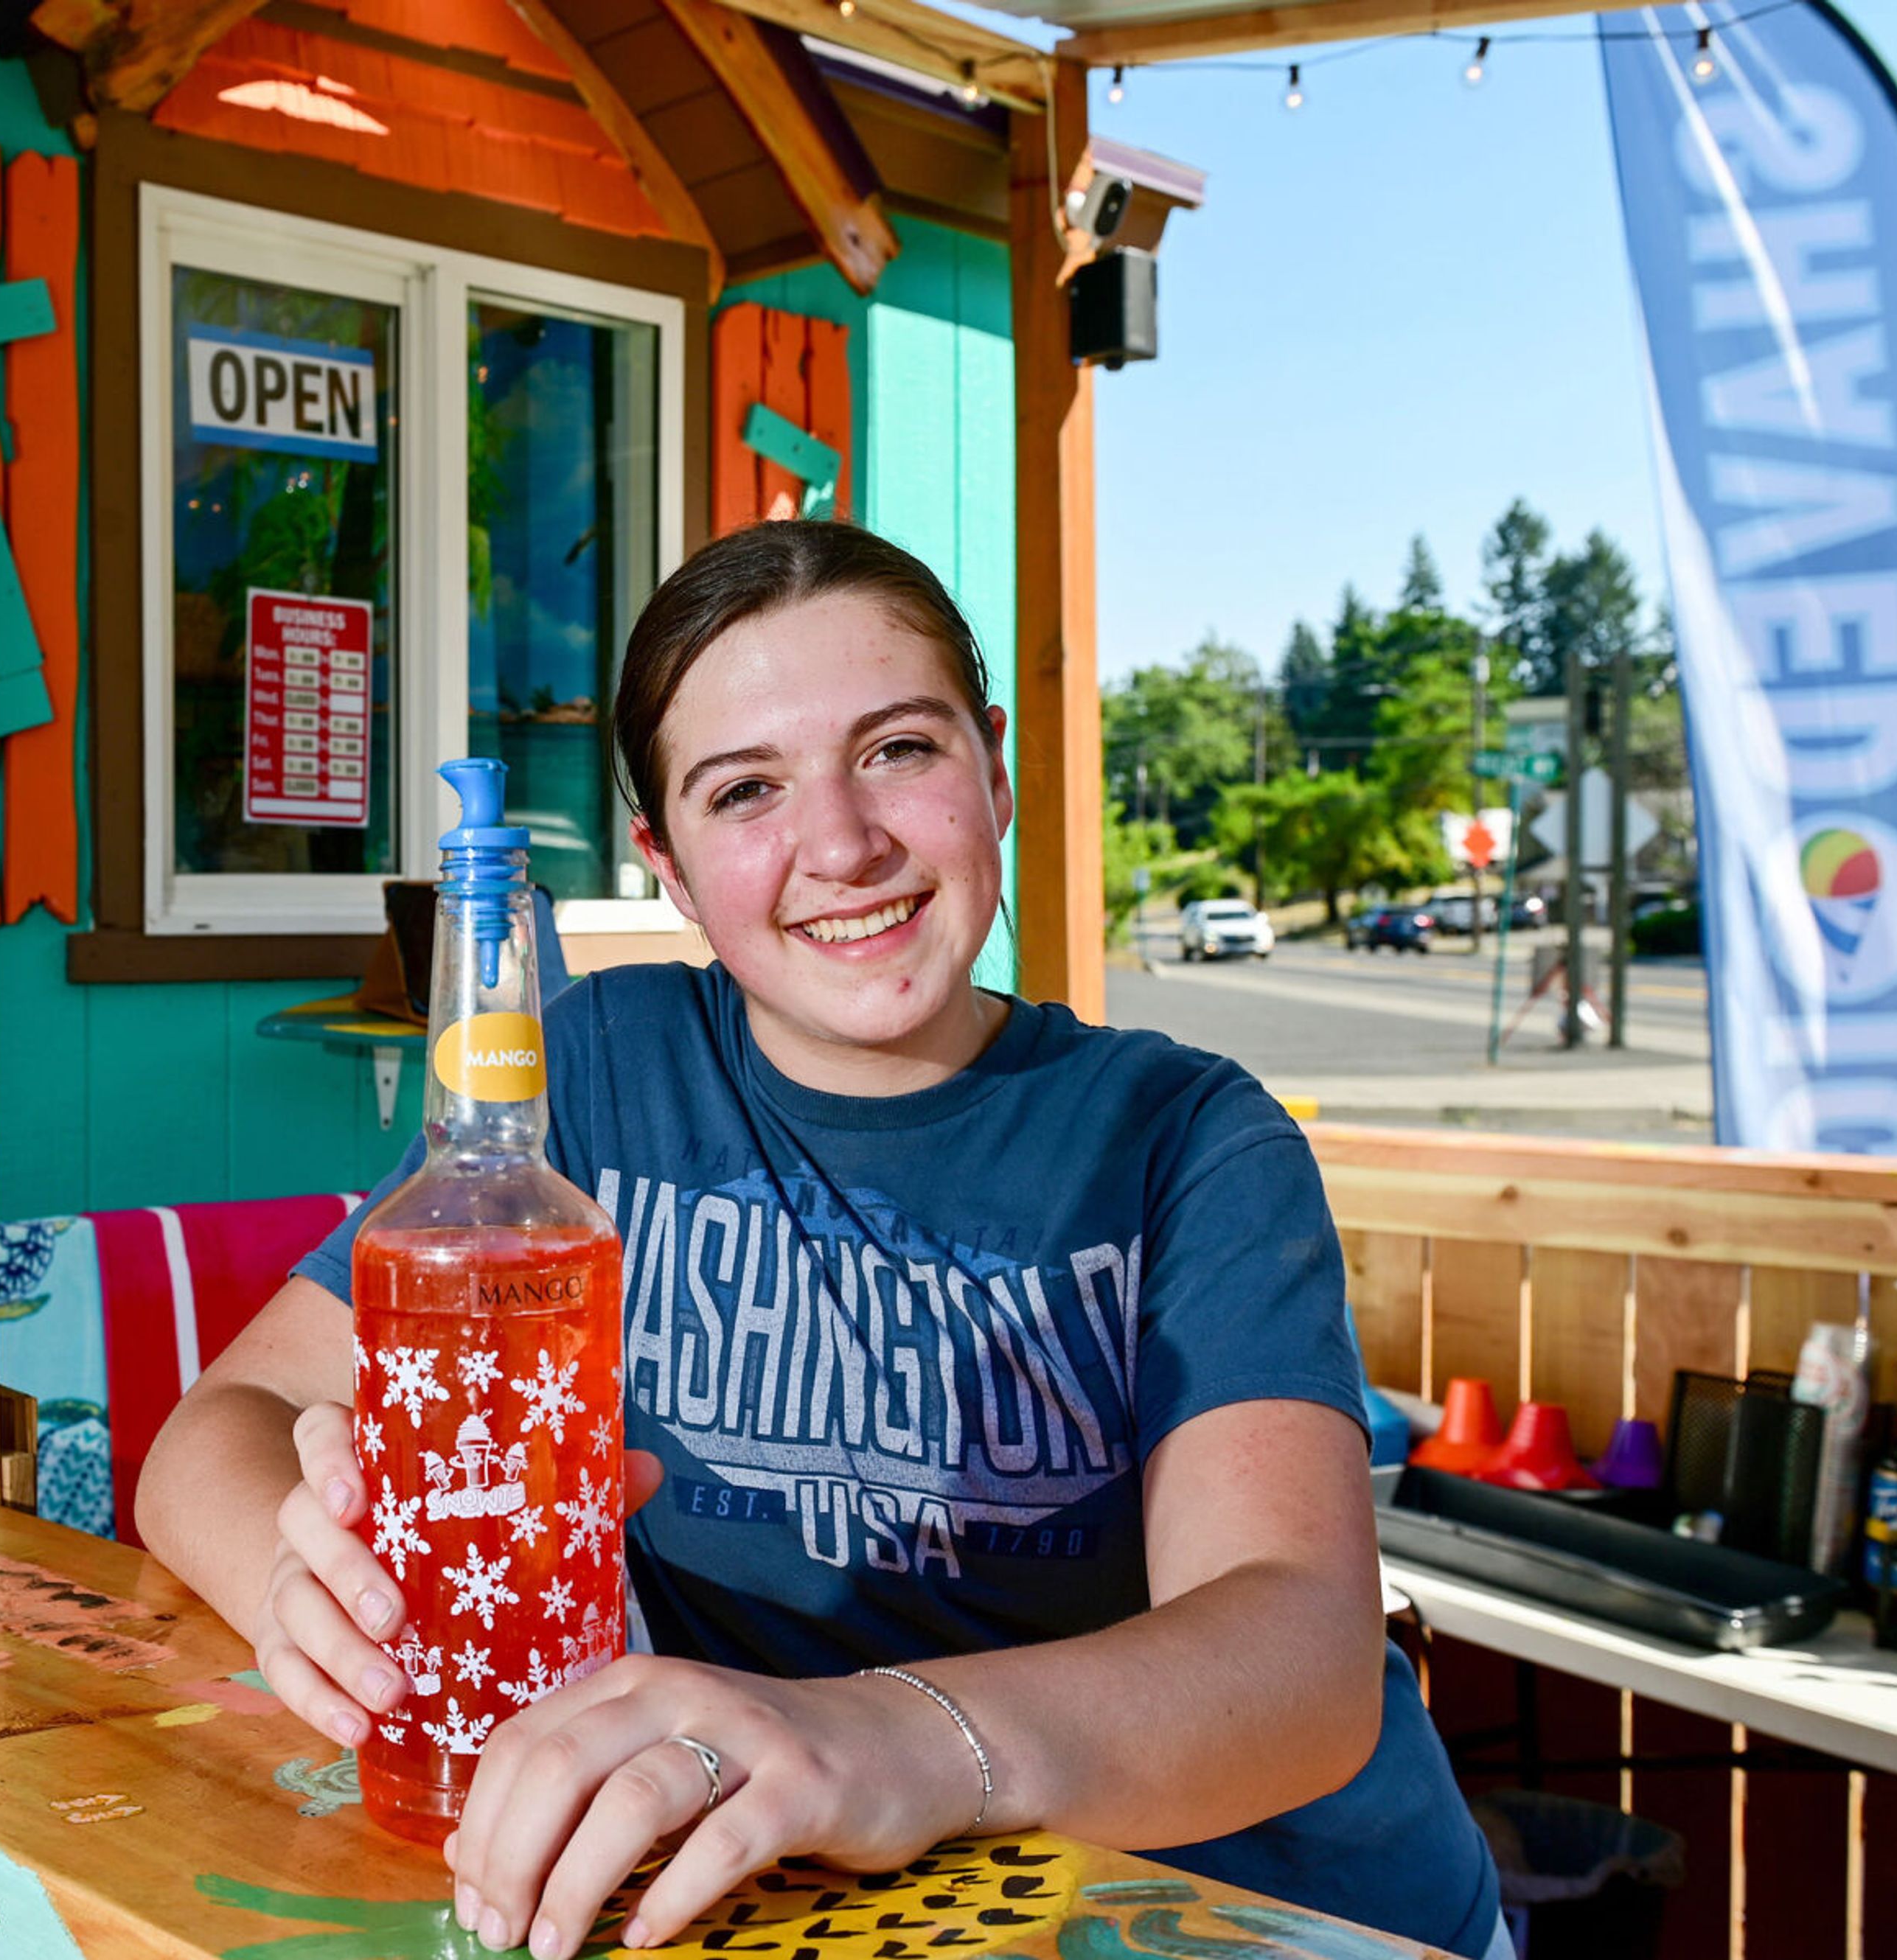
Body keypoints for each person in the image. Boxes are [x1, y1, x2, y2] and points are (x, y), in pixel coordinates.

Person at [138, 522, 1506, 1960]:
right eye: (746, 791)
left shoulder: (1191, 1140)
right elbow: (219, 1429)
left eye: (899, 750)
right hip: (831, 1919)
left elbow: (1299, 1658)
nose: (843, 843)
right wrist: (318, 1596)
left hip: (1279, 1919)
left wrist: (868, 1740)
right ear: (665, 863)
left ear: (994, 767)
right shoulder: (596, 1078)